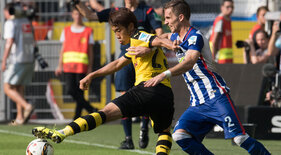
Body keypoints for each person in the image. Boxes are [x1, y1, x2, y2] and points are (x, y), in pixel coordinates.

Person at [32, 8, 176, 155]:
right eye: (114, 32)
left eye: (119, 30)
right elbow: (117, 64)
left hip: (147, 89)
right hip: (166, 94)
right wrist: (92, 75)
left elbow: (157, 40)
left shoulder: (139, 35)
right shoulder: (136, 43)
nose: (117, 35)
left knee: (105, 112)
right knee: (164, 132)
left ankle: (63, 132)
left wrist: (171, 45)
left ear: (131, 27)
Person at [144, 0, 271, 154]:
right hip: (198, 103)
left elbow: (189, 62)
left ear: (181, 17)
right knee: (180, 135)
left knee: (239, 138)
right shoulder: (176, 37)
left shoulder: (195, 36)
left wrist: (164, 74)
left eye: (169, 18)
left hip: (216, 97)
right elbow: (163, 35)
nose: (166, 22)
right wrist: (157, 45)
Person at [74, 0, 163, 149]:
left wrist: (149, 48)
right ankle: (128, 138)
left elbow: (160, 34)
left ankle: (143, 127)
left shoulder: (147, 11)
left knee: (146, 94)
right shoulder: (116, 12)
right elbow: (89, 15)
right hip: (126, 58)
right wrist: (76, 2)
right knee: (123, 97)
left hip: (144, 60)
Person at [55, 8, 97, 120]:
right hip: (68, 66)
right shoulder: (66, 30)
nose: (77, 16)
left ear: (82, 15)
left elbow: (90, 51)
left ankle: (76, 117)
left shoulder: (88, 30)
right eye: (75, 14)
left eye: (79, 14)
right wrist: (59, 65)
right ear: (72, 15)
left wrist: (90, 68)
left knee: (80, 92)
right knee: (70, 90)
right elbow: (63, 49)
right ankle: (91, 109)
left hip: (82, 67)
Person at [1, 3, 35, 125]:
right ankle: (20, 117)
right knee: (19, 87)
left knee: (7, 88)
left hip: (16, 59)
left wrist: (4, 60)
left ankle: (27, 106)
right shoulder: (26, 20)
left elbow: (9, 42)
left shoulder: (10, 23)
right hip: (29, 58)